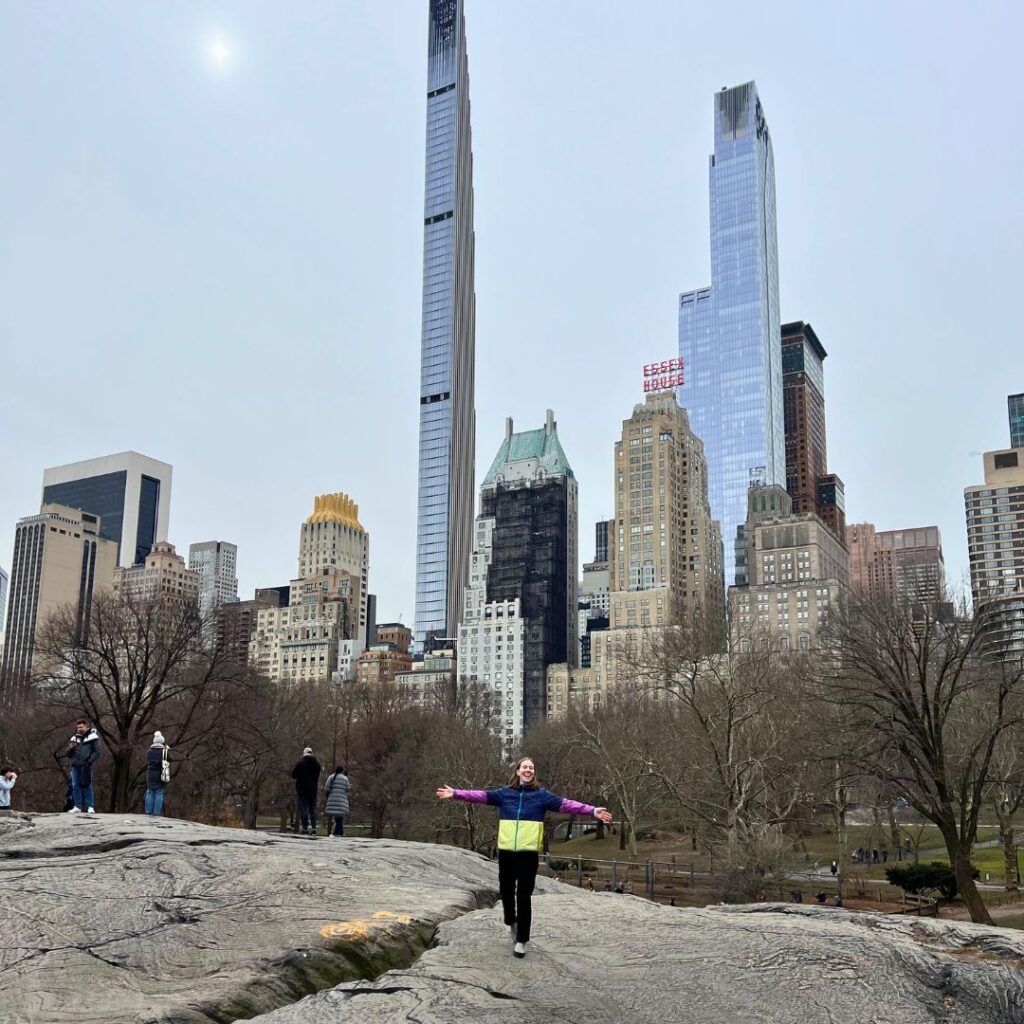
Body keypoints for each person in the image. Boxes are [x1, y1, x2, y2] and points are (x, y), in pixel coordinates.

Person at [436, 756, 611, 959]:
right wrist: (456, 793)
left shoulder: (542, 796)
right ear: (518, 771)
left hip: (528, 854)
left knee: (524, 895)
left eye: (531, 768)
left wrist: (592, 810)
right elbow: (479, 795)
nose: (528, 770)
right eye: (525, 767)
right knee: (506, 890)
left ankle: (521, 940)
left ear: (533, 773)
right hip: (507, 852)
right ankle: (511, 920)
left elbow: (567, 805)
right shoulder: (504, 794)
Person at [60, 719, 101, 814]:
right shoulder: (74, 738)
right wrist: (71, 748)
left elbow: (97, 752)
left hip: (86, 765)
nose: (79, 729)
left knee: (87, 785)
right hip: (75, 765)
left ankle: (90, 806)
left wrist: (89, 762)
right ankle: (77, 806)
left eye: (81, 727)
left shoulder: (93, 737)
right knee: (75, 785)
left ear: (86, 727)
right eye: (78, 727)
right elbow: (68, 754)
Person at [291, 746, 322, 835]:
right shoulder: (317, 765)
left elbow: (293, 775)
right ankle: (314, 827)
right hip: (313, 790)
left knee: (303, 808)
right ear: (312, 753)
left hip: (302, 790)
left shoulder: (301, 763)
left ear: (304, 753)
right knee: (312, 809)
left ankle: (304, 828)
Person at [144, 731, 171, 816]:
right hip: (160, 773)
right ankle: (156, 812)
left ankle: (148, 811)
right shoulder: (163, 751)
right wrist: (167, 750)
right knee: (159, 793)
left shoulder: (149, 751)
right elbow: (170, 759)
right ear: (162, 741)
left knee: (150, 792)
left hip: (150, 774)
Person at [324, 765, 350, 837]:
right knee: (339, 817)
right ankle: (337, 833)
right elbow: (348, 789)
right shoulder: (345, 778)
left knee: (338, 817)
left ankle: (339, 832)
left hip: (332, 799)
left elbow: (326, 789)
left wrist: (328, 796)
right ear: (342, 770)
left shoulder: (331, 777)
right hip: (342, 800)